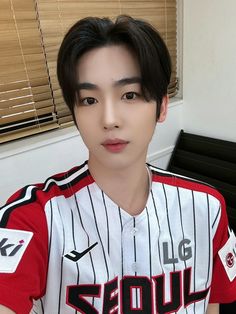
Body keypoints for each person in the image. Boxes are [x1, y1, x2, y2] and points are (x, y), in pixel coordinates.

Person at [0, 15, 235, 314]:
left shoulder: (207, 209)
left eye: (130, 95)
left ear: (161, 106)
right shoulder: (36, 218)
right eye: (88, 100)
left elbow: (210, 305)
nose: (109, 119)